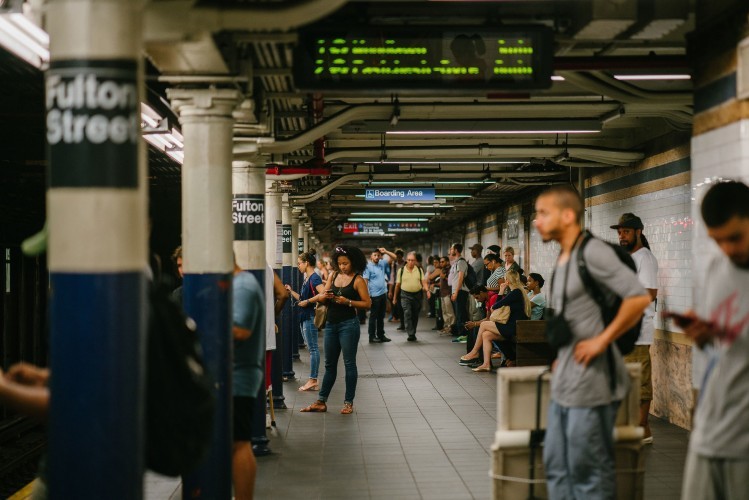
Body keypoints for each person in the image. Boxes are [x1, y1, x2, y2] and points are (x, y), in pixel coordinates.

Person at [533, 185, 650, 499]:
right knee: (557, 467)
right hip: (565, 383)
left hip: (592, 384)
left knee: (589, 475)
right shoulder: (564, 258)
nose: (536, 221)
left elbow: (638, 298)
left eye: (543, 213)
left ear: (568, 215)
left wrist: (601, 341)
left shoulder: (592, 252)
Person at [676, 181, 749, 500]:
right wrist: (704, 333)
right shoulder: (719, 267)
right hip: (710, 430)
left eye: (735, 238)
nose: (728, 250)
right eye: (718, 241)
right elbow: (724, 345)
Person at [300, 245, 372, 415]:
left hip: (349, 325)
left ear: (353, 262)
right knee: (330, 365)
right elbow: (323, 295)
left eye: (345, 263)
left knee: (349, 364)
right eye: (339, 263)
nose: (342, 267)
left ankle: (348, 403)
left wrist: (347, 301)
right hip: (331, 325)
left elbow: (367, 303)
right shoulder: (333, 275)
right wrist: (324, 297)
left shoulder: (358, 280)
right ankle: (321, 401)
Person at [611, 212, 659, 444]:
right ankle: (629, 425)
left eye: (626, 232)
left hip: (638, 332)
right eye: (620, 232)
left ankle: (643, 428)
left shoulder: (644, 258)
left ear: (638, 232)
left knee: (639, 382)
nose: (622, 236)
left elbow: (650, 293)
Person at [231, 260, 266, 500]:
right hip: (230, 374)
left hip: (239, 375)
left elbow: (241, 330)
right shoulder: (235, 284)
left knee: (238, 442)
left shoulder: (242, 286)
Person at [459, 270, 531, 371]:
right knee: (486, 335)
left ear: (508, 280)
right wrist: (501, 291)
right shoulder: (518, 292)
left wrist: (501, 291)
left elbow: (495, 306)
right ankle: (486, 364)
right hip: (513, 326)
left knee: (483, 325)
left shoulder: (516, 292)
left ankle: (474, 352)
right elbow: (496, 306)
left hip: (513, 327)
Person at [285, 252, 324, 391]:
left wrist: (308, 301)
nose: (298, 266)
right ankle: (313, 379)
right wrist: (291, 292)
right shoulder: (307, 279)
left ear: (306, 262)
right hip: (305, 316)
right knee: (311, 348)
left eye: (299, 263)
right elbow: (302, 298)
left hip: (310, 317)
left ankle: (313, 380)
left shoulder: (314, 278)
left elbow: (323, 294)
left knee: (313, 349)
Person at [393, 251, 430, 342]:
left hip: (417, 295)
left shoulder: (419, 270)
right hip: (405, 295)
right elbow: (397, 285)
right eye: (409, 260)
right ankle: (411, 333)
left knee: (415, 314)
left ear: (415, 261)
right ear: (406, 260)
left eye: (412, 260)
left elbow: (423, 281)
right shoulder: (401, 271)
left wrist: (427, 290)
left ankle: (413, 330)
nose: (410, 262)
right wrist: (394, 298)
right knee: (407, 312)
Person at [364, 249, 391, 343]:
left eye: (378, 255)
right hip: (374, 295)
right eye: (374, 255)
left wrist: (386, 251)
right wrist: (367, 296)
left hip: (383, 293)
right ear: (371, 256)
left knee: (381, 316)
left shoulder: (382, 263)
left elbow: (394, 258)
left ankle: (381, 335)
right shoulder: (367, 267)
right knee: (373, 316)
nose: (376, 257)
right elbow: (365, 281)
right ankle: (371, 336)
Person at [448, 243, 470, 341]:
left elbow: (460, 278)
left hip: (460, 291)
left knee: (461, 313)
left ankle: (464, 334)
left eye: (452, 249)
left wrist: (456, 292)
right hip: (456, 291)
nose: (450, 250)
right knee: (458, 313)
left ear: (456, 250)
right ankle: (461, 333)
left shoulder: (461, 262)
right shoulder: (456, 262)